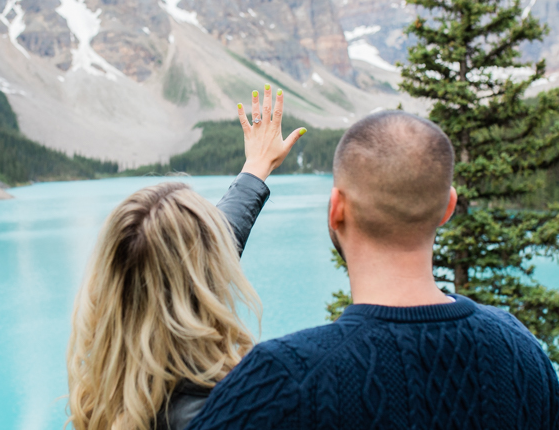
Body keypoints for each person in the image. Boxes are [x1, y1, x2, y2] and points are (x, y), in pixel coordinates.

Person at [187, 107, 559, 429]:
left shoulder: (282, 379)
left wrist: (254, 172)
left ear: (336, 209)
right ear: (447, 208)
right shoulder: (521, 353)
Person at [66, 84, 306, 430]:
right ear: (198, 287)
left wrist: (255, 170)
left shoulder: (103, 397)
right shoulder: (229, 410)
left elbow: (194, 251)